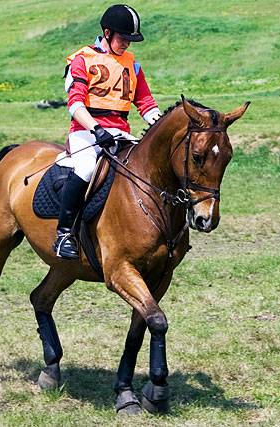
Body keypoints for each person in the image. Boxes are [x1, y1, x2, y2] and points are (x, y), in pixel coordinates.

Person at [53, 4, 162, 259]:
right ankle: (65, 233)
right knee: (87, 168)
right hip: (85, 131)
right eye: (124, 38)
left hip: (121, 132)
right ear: (107, 32)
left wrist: (160, 124)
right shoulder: (82, 59)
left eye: (130, 40)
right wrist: (97, 129)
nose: (127, 44)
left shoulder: (132, 64)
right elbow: (75, 104)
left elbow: (145, 103)